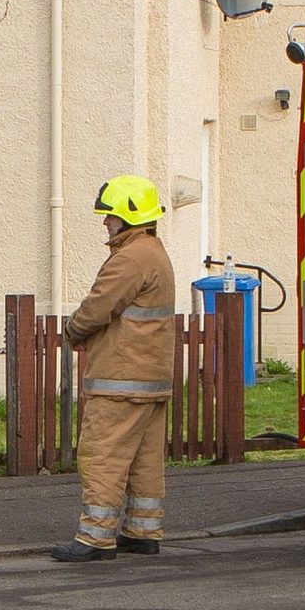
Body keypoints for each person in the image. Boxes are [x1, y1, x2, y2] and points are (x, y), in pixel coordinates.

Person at [54, 174, 178, 562]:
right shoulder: (155, 253)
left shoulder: (129, 258)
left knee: (102, 454)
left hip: (120, 378)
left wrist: (72, 329)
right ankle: (142, 530)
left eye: (109, 217)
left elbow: (97, 308)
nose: (105, 223)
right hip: (150, 379)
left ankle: (95, 537)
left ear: (128, 217)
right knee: (144, 458)